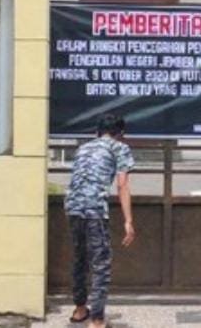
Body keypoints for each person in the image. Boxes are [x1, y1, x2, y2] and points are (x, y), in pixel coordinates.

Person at [66, 114, 136, 327]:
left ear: (97, 131)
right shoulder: (120, 148)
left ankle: (79, 310)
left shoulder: (83, 148)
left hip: (72, 207)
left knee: (80, 259)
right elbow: (122, 185)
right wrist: (128, 221)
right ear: (121, 134)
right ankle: (97, 319)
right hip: (94, 209)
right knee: (101, 264)